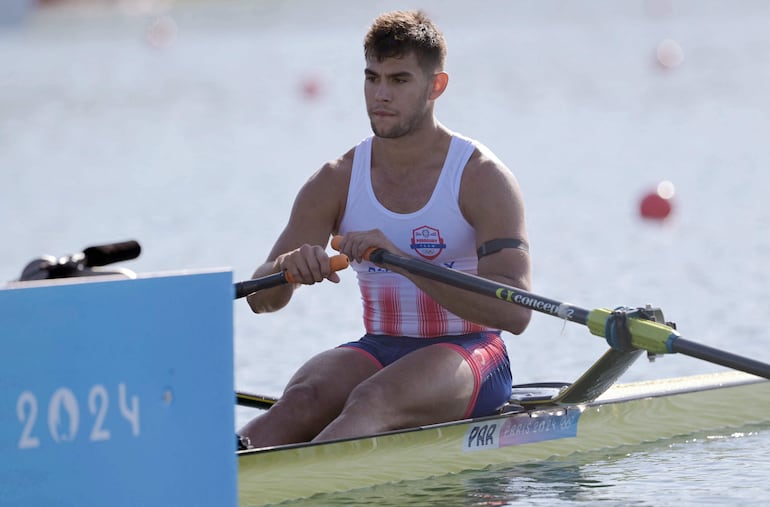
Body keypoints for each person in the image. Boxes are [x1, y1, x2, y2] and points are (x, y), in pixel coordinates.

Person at [239, 10, 532, 448]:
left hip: (472, 353)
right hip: (380, 348)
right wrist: (286, 268)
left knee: (372, 399)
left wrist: (406, 262)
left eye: (399, 80)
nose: (381, 95)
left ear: (436, 86)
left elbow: (515, 312)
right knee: (302, 398)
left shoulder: (480, 177)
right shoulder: (335, 180)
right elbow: (262, 300)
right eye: (372, 78)